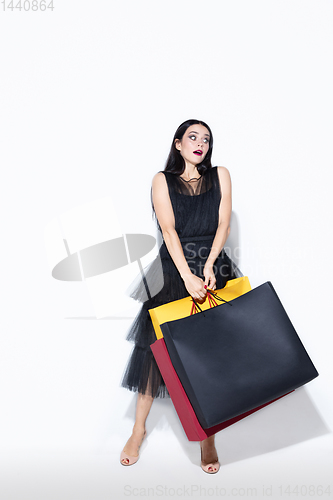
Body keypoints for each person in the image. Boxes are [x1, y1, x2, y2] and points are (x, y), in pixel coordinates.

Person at [120, 119, 243, 473]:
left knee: (211, 355)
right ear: (178, 144)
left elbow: (224, 224)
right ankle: (138, 429)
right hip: (174, 271)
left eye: (206, 138)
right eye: (192, 137)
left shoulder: (221, 175)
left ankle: (208, 435)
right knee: (154, 352)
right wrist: (187, 275)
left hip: (212, 268)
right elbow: (169, 229)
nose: (200, 142)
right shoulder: (162, 180)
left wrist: (210, 263)